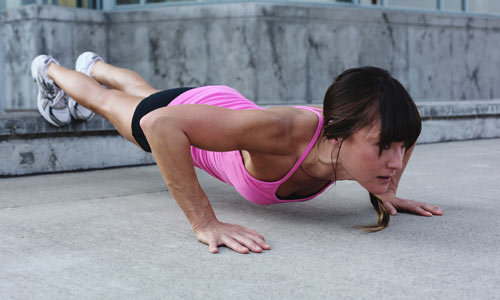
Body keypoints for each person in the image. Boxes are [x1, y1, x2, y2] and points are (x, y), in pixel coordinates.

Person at [30, 52, 443, 254]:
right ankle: (49, 70)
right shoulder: (283, 133)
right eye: (384, 149)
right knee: (119, 108)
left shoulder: (355, 137)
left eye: (402, 148)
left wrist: (386, 189)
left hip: (222, 113)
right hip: (186, 117)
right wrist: (205, 221)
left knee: (144, 92)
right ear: (337, 136)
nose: (397, 160)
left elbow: (395, 137)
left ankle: (96, 63)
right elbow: (162, 125)